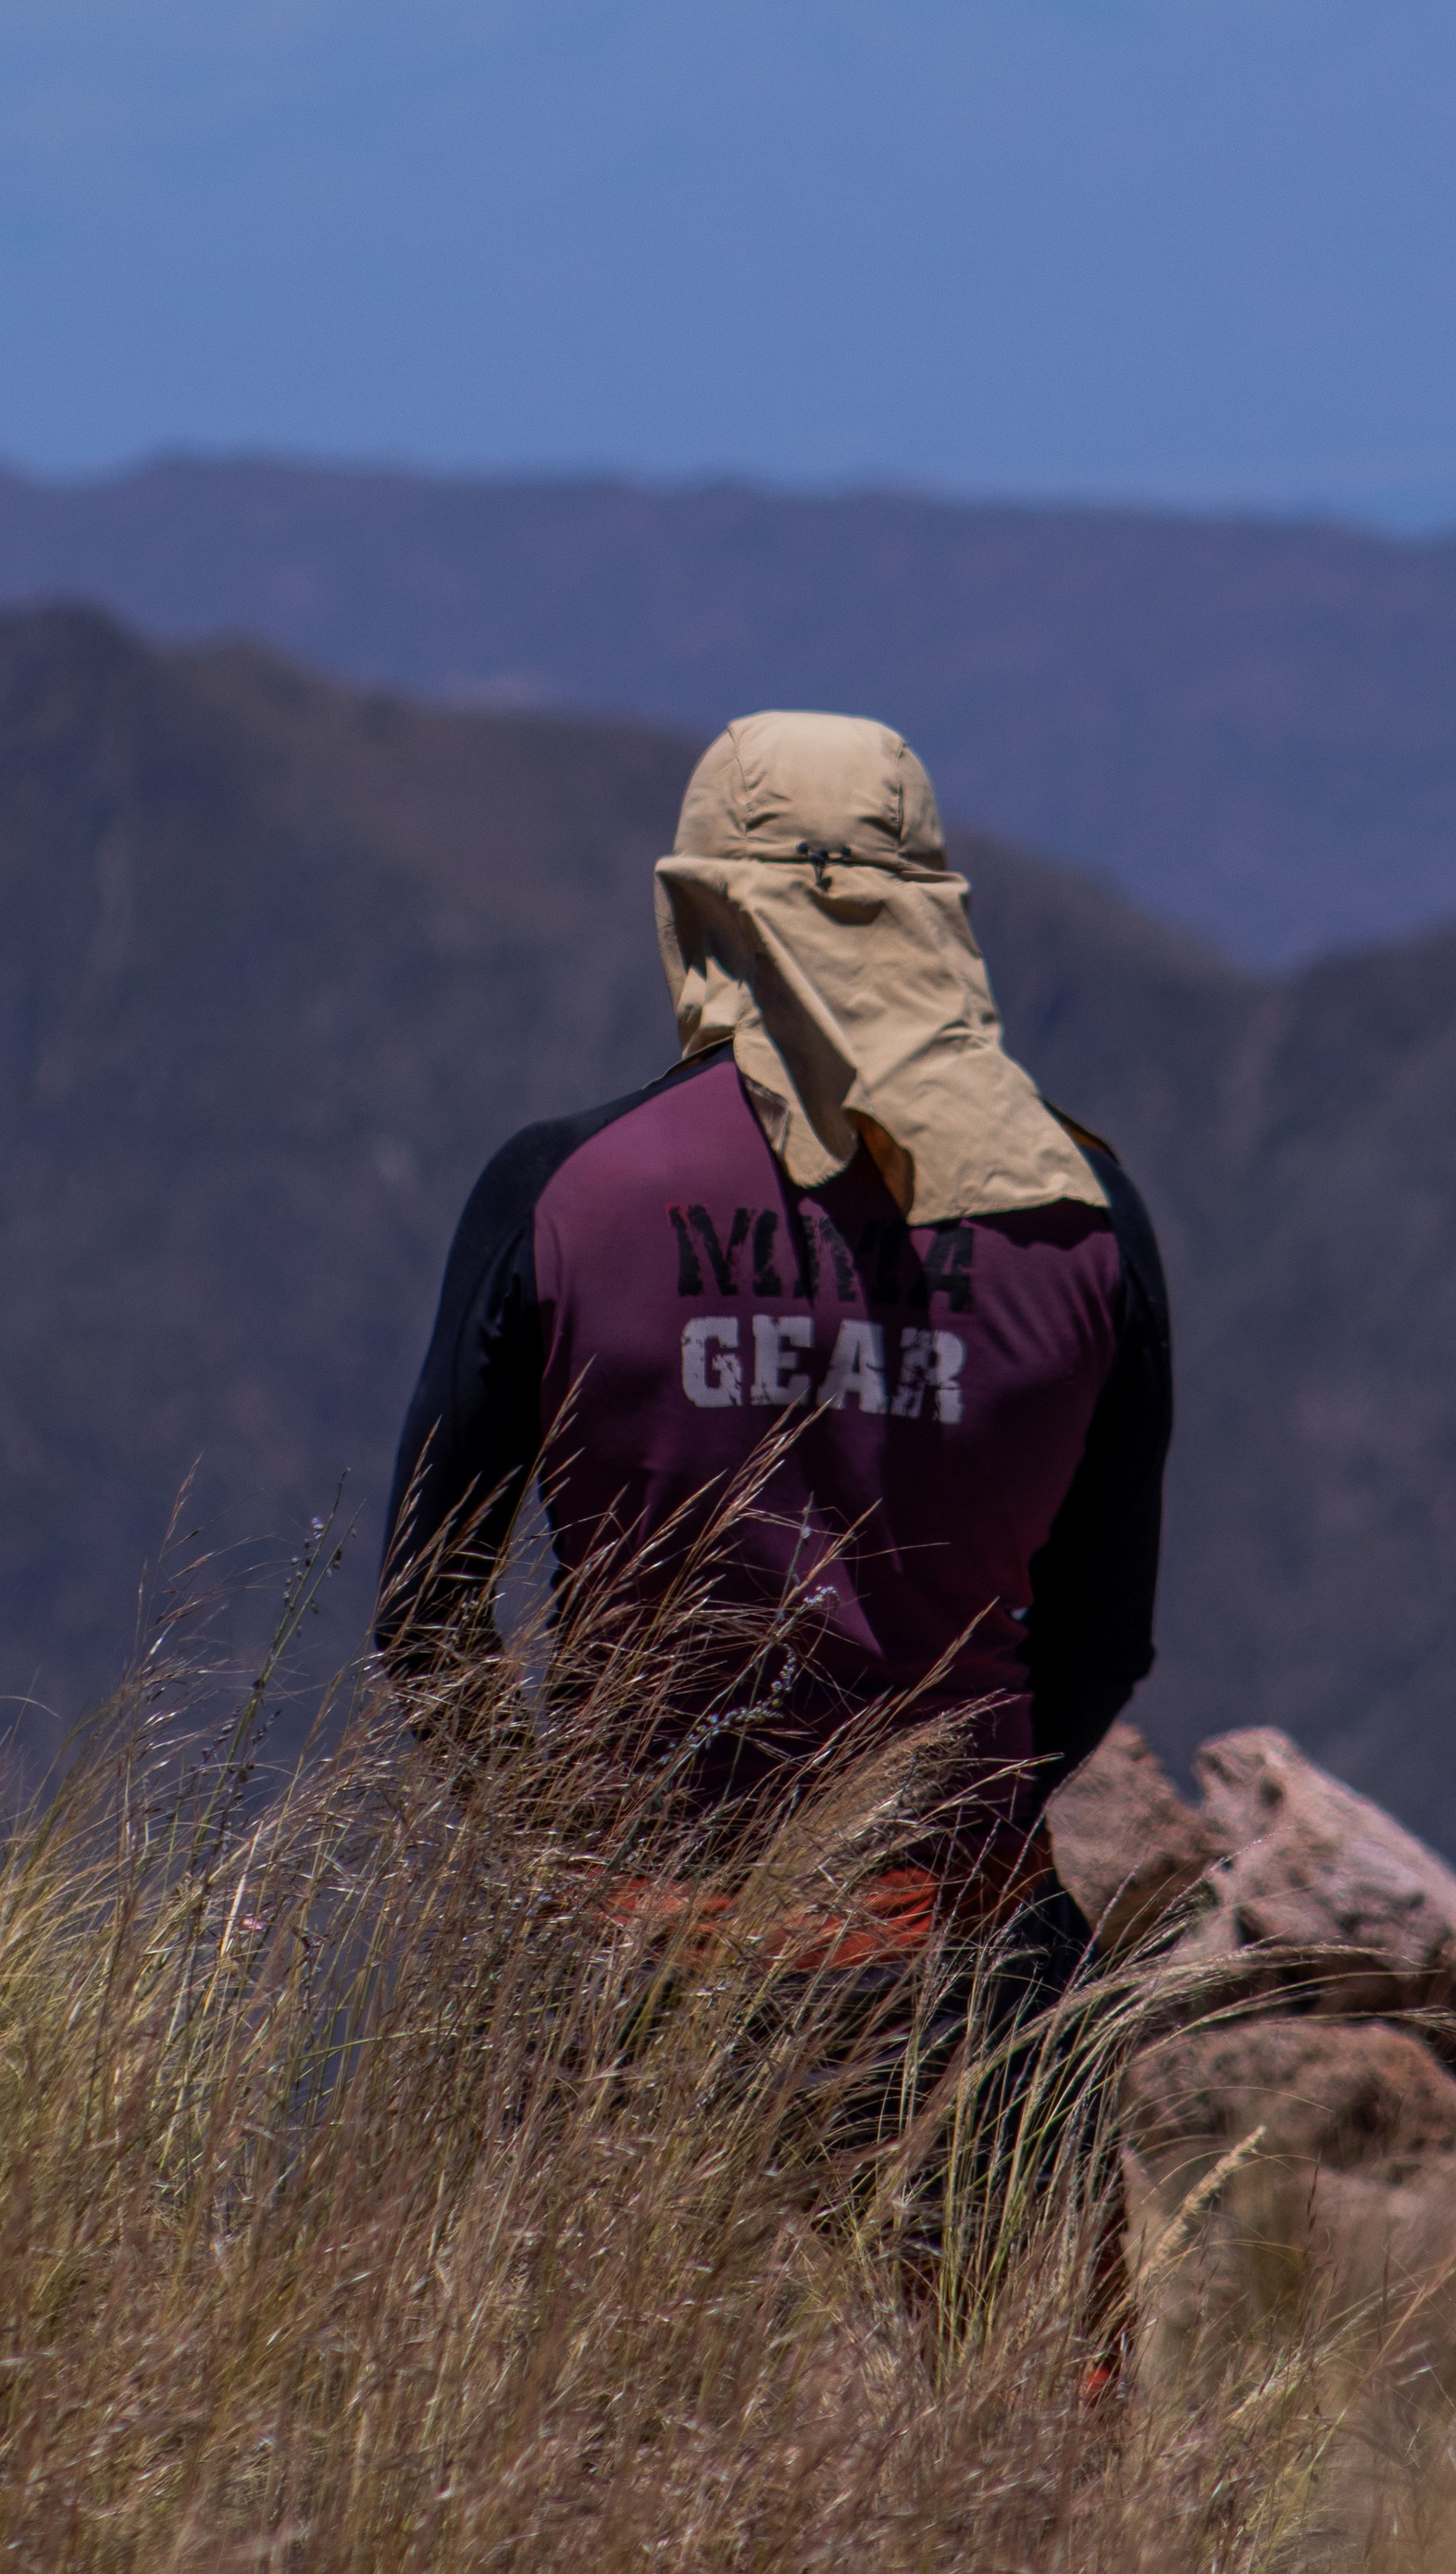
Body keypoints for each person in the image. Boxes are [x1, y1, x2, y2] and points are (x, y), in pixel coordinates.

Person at [375, 708, 1173, 2015]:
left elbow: (424, 1616)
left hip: (632, 1961)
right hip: (958, 1964)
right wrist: (953, 1845)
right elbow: (1103, 1639)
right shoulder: (1082, 1216)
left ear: (700, 914)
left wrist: (571, 1860)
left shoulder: (564, 1189)